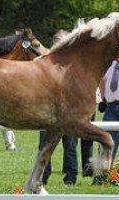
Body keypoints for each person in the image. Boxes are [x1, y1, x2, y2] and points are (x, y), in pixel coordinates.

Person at [39, 29, 78, 186]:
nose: (59, 43)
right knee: (44, 145)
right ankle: (43, 176)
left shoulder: (75, 63)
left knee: (70, 145)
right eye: (57, 40)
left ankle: (71, 177)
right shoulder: (43, 61)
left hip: (68, 110)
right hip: (46, 110)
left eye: (62, 40)